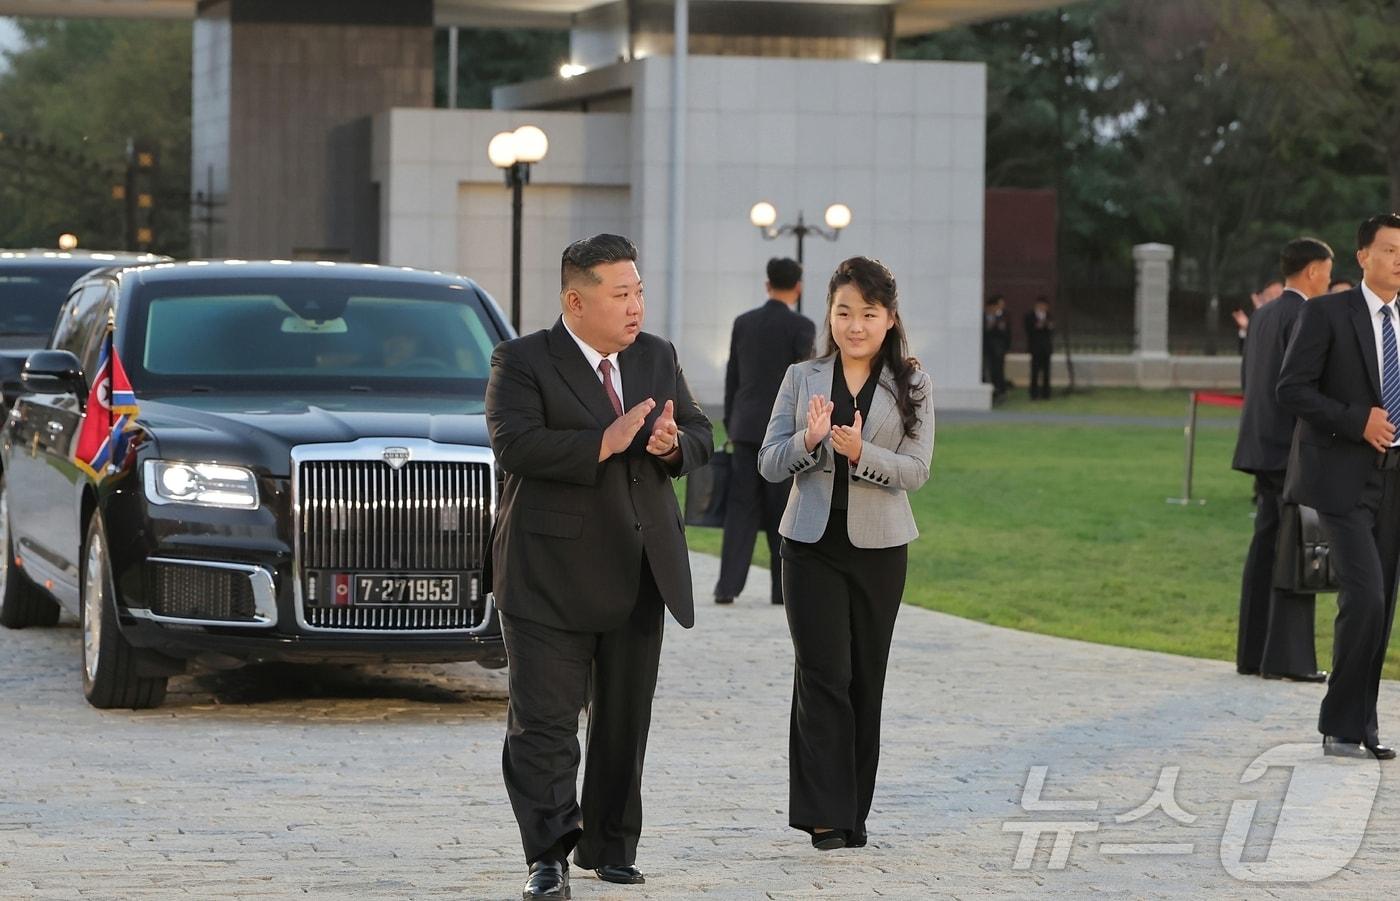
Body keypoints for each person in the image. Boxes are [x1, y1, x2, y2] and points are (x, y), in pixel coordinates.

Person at [485, 234, 714, 898]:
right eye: (621, 294)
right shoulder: (521, 360)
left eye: (639, 290)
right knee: (546, 723)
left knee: (622, 719)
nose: (636, 305)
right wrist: (602, 441)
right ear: (575, 300)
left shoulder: (657, 357)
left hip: (640, 566)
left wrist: (675, 447)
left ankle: (612, 844)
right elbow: (515, 443)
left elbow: (702, 432)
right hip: (547, 574)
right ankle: (549, 854)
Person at [758, 256, 934, 850]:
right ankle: (824, 815)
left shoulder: (911, 383)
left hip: (880, 551)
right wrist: (809, 442)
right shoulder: (801, 377)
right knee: (822, 674)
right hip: (808, 546)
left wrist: (862, 454)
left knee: (865, 678)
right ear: (828, 314)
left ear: (888, 318)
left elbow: (916, 469)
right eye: (843, 312)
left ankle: (853, 810)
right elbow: (768, 459)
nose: (854, 325)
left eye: (868, 313)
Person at [1277, 213, 1400, 761]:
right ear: (1363, 257)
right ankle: (1340, 721)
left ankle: (1360, 724)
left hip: (1394, 480)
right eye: (1391, 250)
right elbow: (1292, 389)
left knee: (1382, 604)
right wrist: (1358, 420)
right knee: (1366, 597)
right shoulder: (1328, 313)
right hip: (1342, 480)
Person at [1232, 237, 1333, 684]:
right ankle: (1289, 660)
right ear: (1312, 271)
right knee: (1296, 550)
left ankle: (1253, 654)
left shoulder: (1264, 315)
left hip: (1258, 444)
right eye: (1328, 272)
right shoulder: (1307, 314)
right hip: (1291, 450)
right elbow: (1306, 389)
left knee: (1266, 546)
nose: (1330, 281)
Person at [715, 257, 816, 606]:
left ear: (767, 284)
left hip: (744, 429)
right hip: (782, 434)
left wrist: (731, 422)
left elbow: (733, 377)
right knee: (780, 512)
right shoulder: (802, 326)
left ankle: (726, 587)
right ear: (798, 287)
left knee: (739, 512)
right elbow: (805, 382)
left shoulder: (744, 323)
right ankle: (780, 590)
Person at [1023, 295, 1055, 400]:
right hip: (1035, 347)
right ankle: (1034, 394)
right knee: (1035, 371)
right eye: (1041, 305)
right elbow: (1028, 329)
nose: (1043, 307)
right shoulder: (1030, 316)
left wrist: (1049, 327)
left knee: (1046, 372)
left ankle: (1046, 394)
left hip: (1046, 348)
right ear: (1037, 305)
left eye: (1045, 306)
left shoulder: (1049, 316)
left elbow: (1052, 330)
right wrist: (1037, 327)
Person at [983, 294, 1010, 400]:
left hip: (999, 349)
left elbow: (1007, 333)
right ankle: (991, 392)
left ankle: (1000, 391)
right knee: (986, 370)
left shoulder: (1003, 317)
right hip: (986, 348)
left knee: (998, 370)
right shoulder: (984, 316)